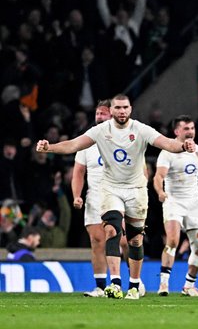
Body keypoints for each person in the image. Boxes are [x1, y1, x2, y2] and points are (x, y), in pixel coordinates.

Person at [36, 94, 196, 300]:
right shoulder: (101, 131)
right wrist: (51, 147)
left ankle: (135, 285)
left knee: (135, 240)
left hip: (136, 189)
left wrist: (182, 146)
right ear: (111, 111)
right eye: (118, 108)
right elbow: (74, 144)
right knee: (111, 230)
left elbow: (167, 143)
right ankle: (115, 284)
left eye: (125, 107)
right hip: (110, 188)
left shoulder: (140, 129)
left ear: (130, 109)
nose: (122, 111)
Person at [153, 115, 198, 297]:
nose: (190, 132)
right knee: (172, 241)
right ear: (177, 132)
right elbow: (158, 177)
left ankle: (188, 286)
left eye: (192, 128)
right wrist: (160, 192)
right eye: (186, 129)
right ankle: (163, 284)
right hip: (173, 201)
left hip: (194, 203)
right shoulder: (168, 152)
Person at [72, 100, 112, 297]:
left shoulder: (124, 139)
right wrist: (77, 196)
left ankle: (133, 282)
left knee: (123, 242)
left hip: (119, 195)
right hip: (95, 197)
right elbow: (78, 172)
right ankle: (101, 286)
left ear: (112, 116)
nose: (99, 117)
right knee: (97, 241)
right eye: (98, 113)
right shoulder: (86, 142)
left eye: (104, 113)